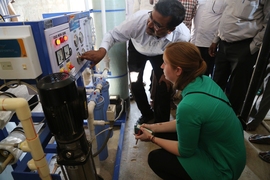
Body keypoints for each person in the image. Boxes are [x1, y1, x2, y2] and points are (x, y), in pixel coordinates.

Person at [135, 42, 246, 180]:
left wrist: (152, 138)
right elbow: (187, 121)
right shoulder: (204, 80)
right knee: (166, 136)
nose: (161, 66)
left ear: (178, 71)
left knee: (156, 158)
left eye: (165, 63)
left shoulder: (188, 105)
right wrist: (154, 127)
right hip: (231, 156)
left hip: (223, 169)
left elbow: (185, 151)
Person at [81, 0, 190, 124]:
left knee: (165, 86)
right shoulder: (137, 21)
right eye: (151, 17)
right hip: (137, 51)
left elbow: (179, 55)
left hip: (162, 55)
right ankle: (147, 115)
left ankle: (161, 123)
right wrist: (101, 51)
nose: (149, 24)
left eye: (157, 25)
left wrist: (169, 74)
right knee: (135, 83)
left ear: (170, 29)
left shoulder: (182, 36)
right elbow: (112, 35)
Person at [209, 1, 270, 117]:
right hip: (223, 44)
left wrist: (252, 47)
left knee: (237, 88)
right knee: (217, 81)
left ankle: (229, 118)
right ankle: (212, 113)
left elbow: (268, 24)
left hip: (244, 46)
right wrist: (215, 40)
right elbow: (226, 16)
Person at [190, 0, 225, 76]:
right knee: (190, 72)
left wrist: (215, 41)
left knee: (203, 74)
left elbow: (223, 21)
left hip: (209, 44)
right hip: (193, 41)